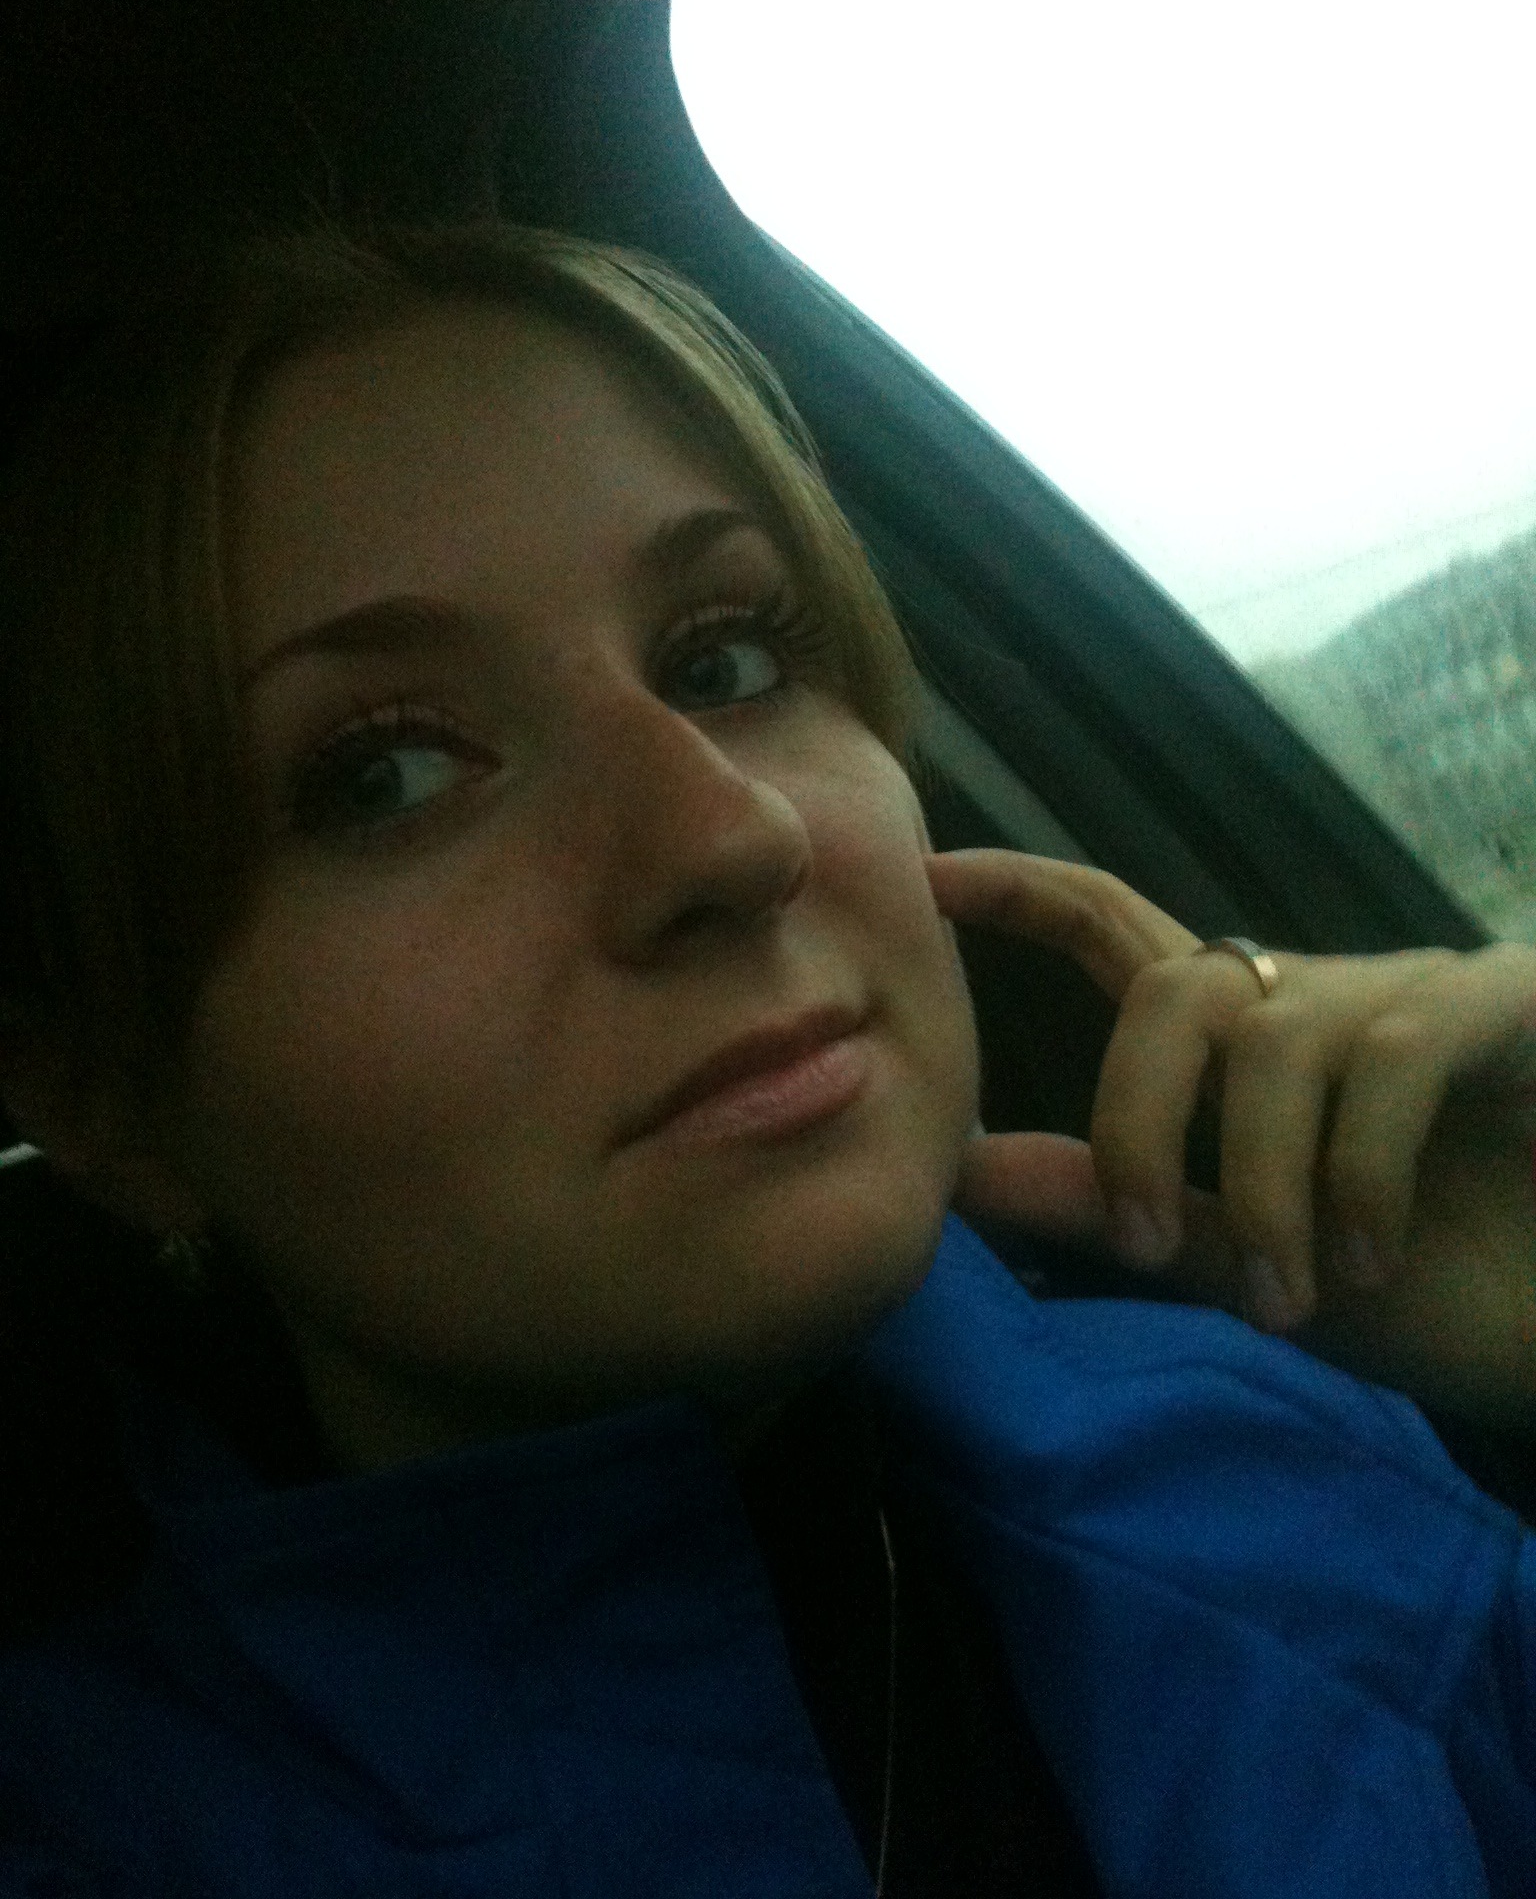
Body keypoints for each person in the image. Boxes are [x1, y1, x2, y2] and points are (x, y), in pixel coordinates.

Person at [0, 222, 1531, 1898]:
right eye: (384, 777)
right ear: (103, 1099)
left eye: (724, 659)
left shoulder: (1288, 1465)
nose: (732, 837)